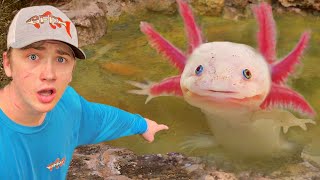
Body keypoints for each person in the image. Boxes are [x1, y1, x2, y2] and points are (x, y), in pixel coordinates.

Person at [0, 5, 169, 179]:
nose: (49, 74)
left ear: (72, 69)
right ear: (7, 64)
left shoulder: (68, 105)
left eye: (61, 59)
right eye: (33, 56)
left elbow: (102, 118)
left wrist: (142, 125)